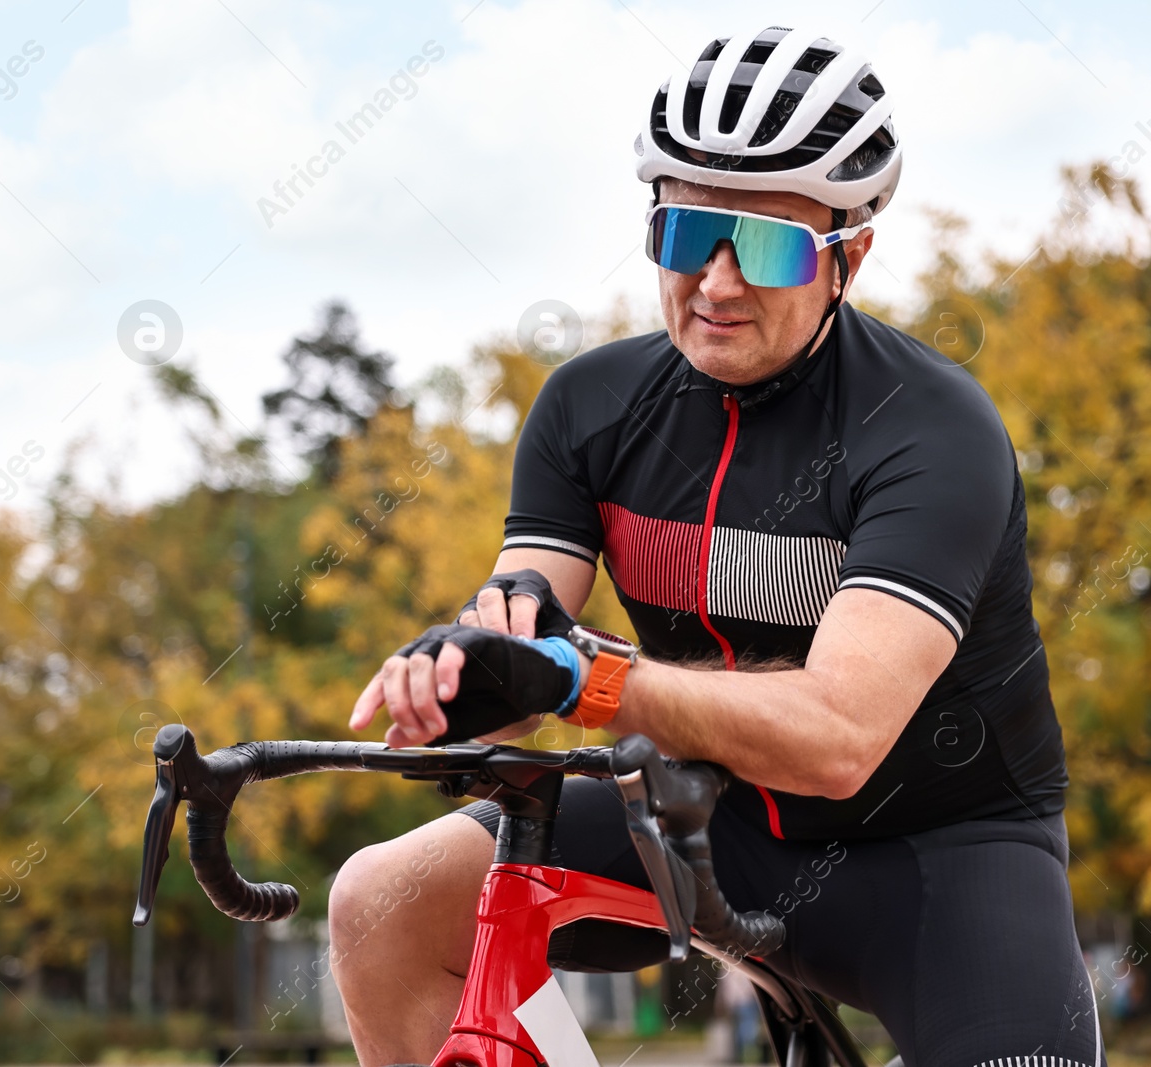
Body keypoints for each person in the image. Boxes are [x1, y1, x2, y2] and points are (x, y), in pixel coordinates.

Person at [331, 27, 1099, 1067]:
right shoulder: (589, 405)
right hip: (701, 821)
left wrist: (588, 679)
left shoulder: (932, 430)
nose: (718, 282)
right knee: (378, 900)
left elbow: (835, 738)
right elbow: (528, 628)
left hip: (943, 859)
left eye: (770, 245)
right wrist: (460, 666)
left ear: (850, 253)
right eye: (688, 233)